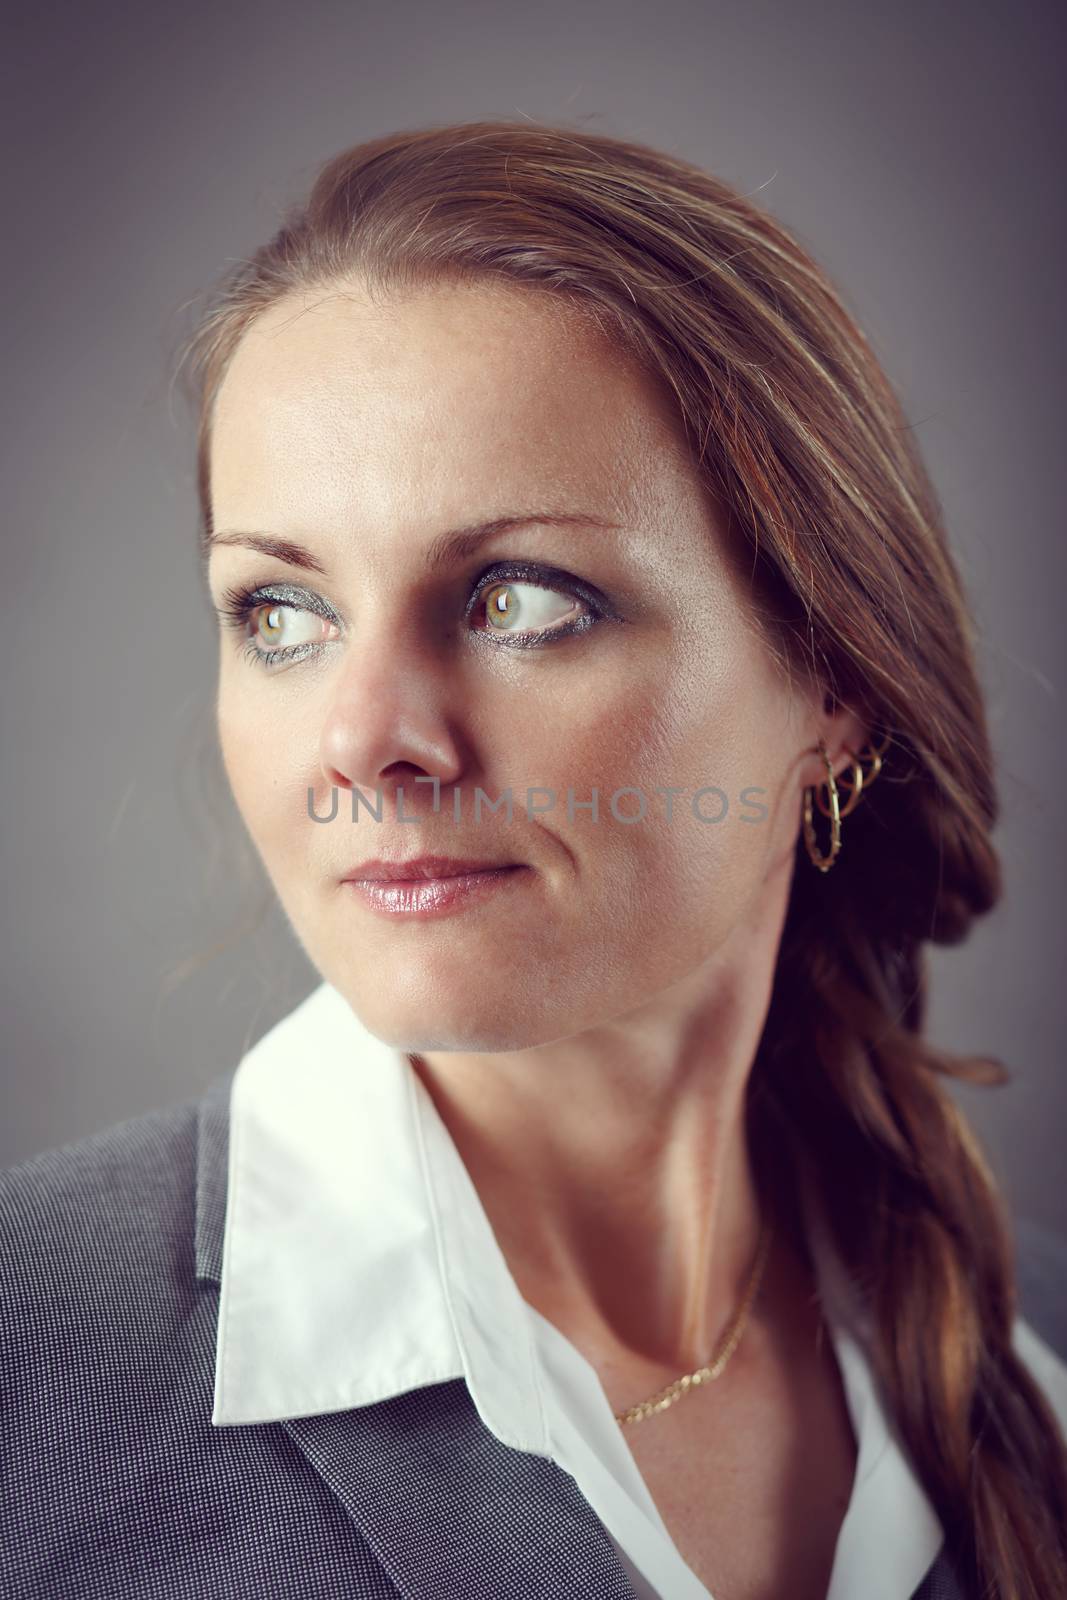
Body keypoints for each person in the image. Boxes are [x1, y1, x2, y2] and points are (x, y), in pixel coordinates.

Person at [2, 119, 1065, 1600]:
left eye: (521, 600)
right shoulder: (25, 1367)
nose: (366, 739)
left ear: (835, 691)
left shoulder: (1027, 1380)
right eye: (282, 616)